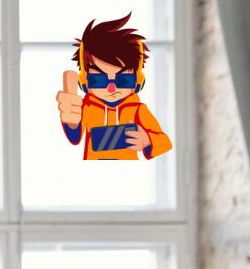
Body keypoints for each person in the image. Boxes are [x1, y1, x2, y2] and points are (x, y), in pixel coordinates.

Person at [56, 12, 171, 160]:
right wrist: (70, 119)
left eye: (123, 80)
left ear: (137, 81)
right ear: (85, 81)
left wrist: (147, 140)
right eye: (99, 80)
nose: (111, 89)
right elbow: (74, 137)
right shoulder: (86, 108)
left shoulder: (138, 110)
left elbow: (165, 142)